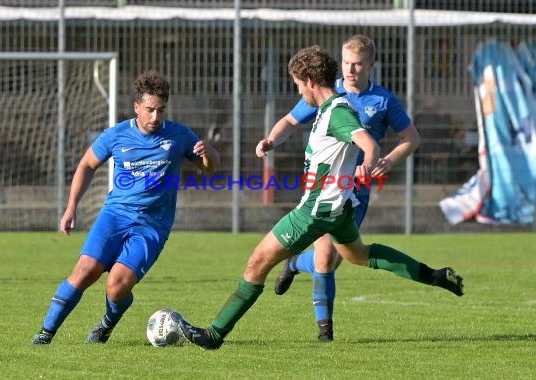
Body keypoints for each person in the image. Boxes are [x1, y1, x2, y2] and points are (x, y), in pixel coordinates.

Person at [178, 45, 464, 350]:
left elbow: (368, 143)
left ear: (311, 81)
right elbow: (300, 124)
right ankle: (434, 275)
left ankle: (213, 335)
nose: (300, 93)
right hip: (340, 209)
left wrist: (368, 164)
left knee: (257, 263)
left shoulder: (337, 113)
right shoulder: (334, 107)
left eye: (299, 86)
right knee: (360, 255)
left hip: (315, 211)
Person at [265, 34, 462, 342]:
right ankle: (325, 333)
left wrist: (388, 161)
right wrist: (271, 141)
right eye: (346, 63)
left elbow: (411, 138)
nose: (351, 70)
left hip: (358, 191)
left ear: (371, 65)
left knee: (340, 256)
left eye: (357, 64)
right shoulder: (329, 93)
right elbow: (290, 120)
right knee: (326, 255)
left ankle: (293, 263)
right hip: (328, 185)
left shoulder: (383, 101)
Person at [31, 70, 219, 345]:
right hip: (115, 215)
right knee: (85, 271)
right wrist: (71, 207)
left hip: (152, 225)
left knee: (117, 286)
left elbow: (209, 170)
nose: (156, 117)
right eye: (149, 110)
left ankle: (105, 326)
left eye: (161, 110)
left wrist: (209, 155)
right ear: (136, 107)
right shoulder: (116, 135)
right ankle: (45, 334)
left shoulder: (179, 135)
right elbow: (86, 165)